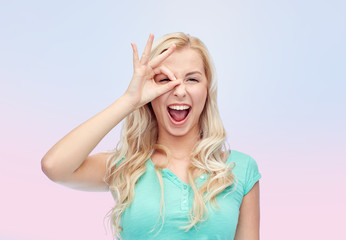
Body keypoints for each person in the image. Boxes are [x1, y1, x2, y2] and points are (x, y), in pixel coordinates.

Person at [41, 32, 261, 240]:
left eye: (192, 80)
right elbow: (54, 166)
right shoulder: (125, 167)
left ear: (207, 90)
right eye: (166, 80)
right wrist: (129, 100)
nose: (180, 91)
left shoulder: (240, 169)